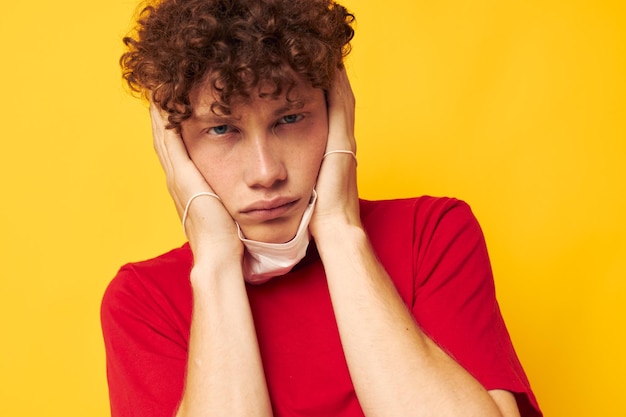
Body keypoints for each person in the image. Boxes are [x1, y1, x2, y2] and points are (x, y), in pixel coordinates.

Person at [101, 0, 542, 416]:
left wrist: (339, 229)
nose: (266, 171)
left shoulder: (430, 233)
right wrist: (216, 263)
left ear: (337, 115)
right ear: (176, 146)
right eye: (221, 128)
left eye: (290, 118)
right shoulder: (143, 301)